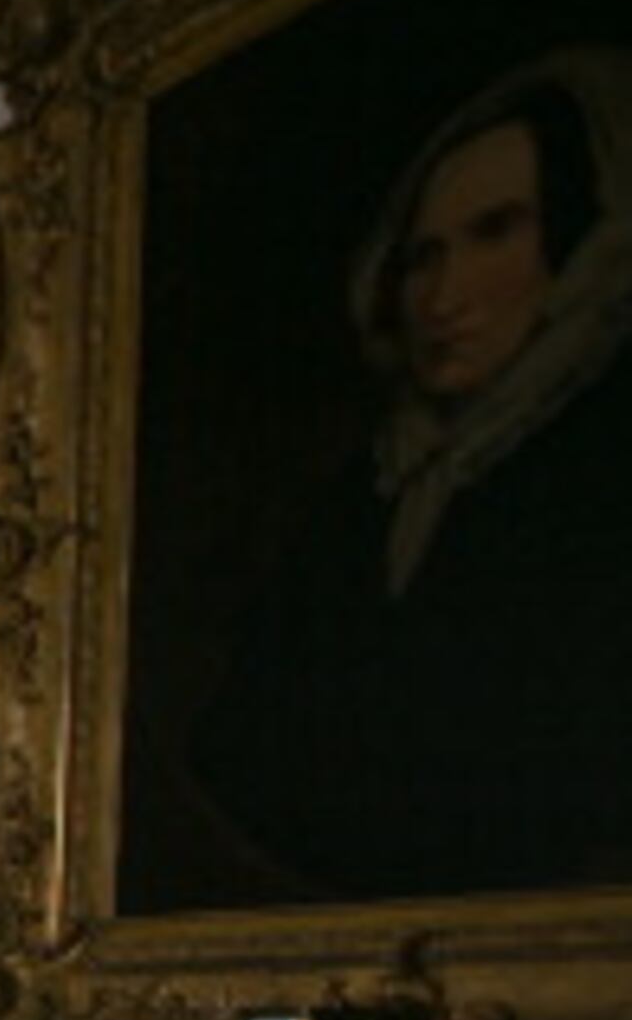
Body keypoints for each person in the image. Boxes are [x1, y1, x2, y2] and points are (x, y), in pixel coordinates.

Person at [187, 45, 632, 902]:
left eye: (495, 231)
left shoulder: (597, 476)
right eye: (422, 255)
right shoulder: (381, 482)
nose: (440, 295)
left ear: (582, 240)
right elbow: (240, 737)